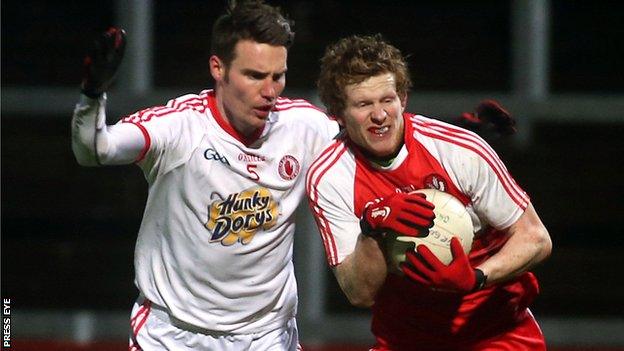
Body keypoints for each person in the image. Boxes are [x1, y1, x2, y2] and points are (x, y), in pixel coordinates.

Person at [71, 1, 339, 350]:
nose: (270, 91)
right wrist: (92, 95)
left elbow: (371, 153)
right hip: (173, 336)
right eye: (255, 76)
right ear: (218, 67)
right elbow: (95, 150)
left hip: (267, 337)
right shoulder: (179, 127)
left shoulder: (305, 127)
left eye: (278, 76)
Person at [307, 34, 552, 350]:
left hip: (495, 333)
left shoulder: (460, 150)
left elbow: (535, 238)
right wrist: (372, 230)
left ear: (403, 99)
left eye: (387, 100)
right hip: (404, 340)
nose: (379, 115)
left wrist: (476, 276)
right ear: (338, 113)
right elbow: (360, 293)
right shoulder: (329, 175)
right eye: (364, 104)